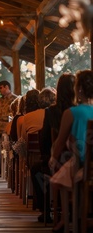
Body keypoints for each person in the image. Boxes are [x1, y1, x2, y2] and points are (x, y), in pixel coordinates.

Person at [49, 69, 93, 232]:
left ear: (79, 89)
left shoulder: (72, 113)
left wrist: (53, 158)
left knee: (57, 181)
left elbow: (60, 141)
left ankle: (67, 219)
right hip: (90, 166)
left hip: (81, 165)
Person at [31, 73, 76, 224]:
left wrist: (46, 157)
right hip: (77, 160)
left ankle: (45, 211)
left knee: (36, 169)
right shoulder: (80, 110)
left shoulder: (51, 111)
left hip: (57, 161)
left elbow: (44, 139)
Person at [0, 80, 17, 174]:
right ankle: (0, 170)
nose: (0, 90)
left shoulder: (15, 99)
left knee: (9, 149)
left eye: (1, 88)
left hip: (9, 128)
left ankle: (10, 171)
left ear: (7, 87)